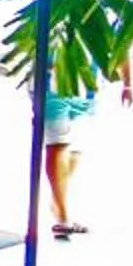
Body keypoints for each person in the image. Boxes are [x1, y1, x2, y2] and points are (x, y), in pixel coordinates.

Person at [44, 86, 96, 237]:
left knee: (75, 152)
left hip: (85, 89)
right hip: (54, 87)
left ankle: (58, 204)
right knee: (59, 145)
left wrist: (127, 83)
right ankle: (62, 216)